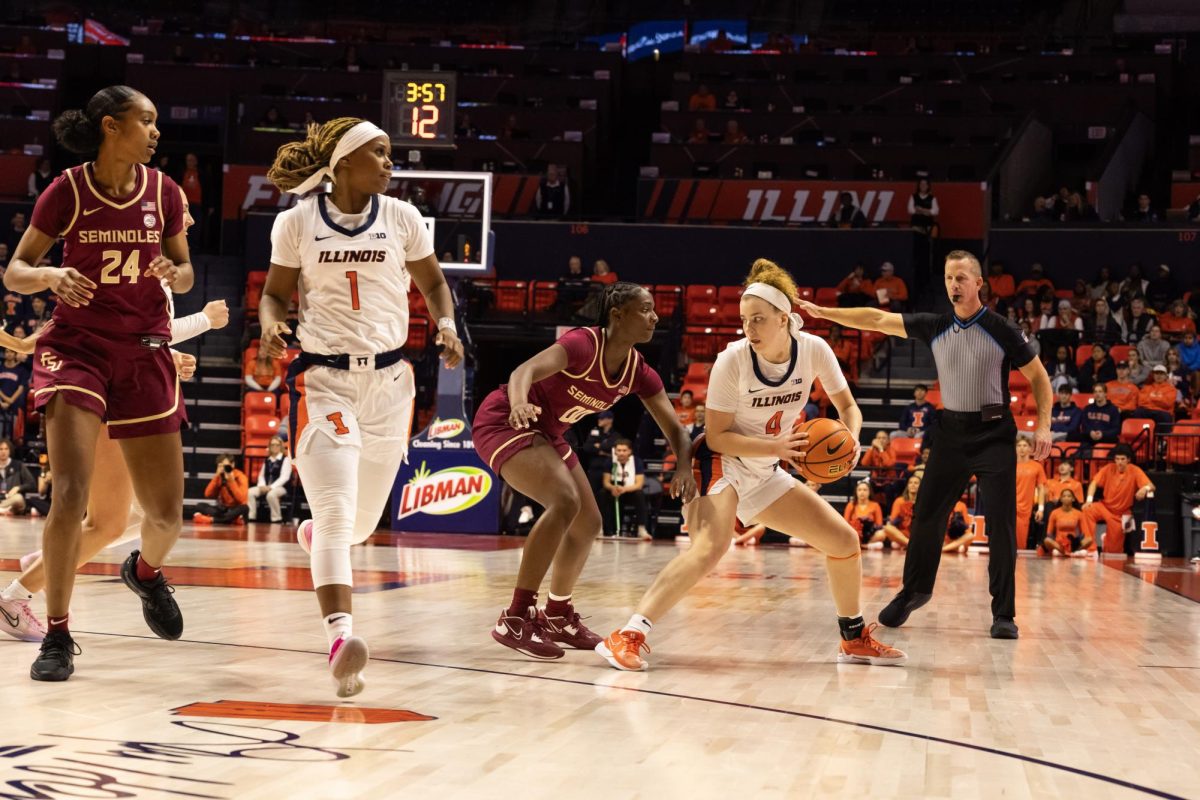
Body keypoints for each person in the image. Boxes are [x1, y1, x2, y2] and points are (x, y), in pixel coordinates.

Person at [596, 260, 905, 672]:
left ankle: (853, 639)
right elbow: (718, 434)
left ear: (785, 319)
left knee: (844, 542)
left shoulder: (814, 350)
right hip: (721, 459)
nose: (749, 328)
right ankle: (628, 634)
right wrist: (776, 445)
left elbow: (848, 406)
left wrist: (850, 442)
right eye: (744, 319)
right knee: (712, 545)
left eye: (758, 319)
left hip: (764, 468)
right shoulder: (733, 360)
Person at [259, 116, 464, 697]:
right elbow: (274, 295)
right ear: (345, 162)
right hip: (326, 381)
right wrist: (272, 327)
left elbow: (434, 286)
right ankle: (340, 637)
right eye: (380, 153)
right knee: (336, 513)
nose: (390, 163)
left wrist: (446, 326)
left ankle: (318, 535)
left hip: (392, 384)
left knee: (362, 523)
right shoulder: (295, 223)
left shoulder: (403, 218)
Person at [7, 85, 193, 682]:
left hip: (143, 353)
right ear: (113, 127)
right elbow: (15, 269)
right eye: (148, 119)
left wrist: (175, 270)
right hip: (77, 350)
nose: (156, 131)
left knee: (165, 518)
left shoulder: (164, 191)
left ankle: (144, 571)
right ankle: (57, 632)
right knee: (69, 495)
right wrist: (52, 274)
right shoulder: (68, 190)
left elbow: (185, 272)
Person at [798, 250, 1053, 640]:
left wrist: (1044, 427)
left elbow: (1040, 379)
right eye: (950, 278)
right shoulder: (935, 325)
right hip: (950, 431)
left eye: (962, 278)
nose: (955, 284)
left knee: (1001, 526)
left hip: (995, 433)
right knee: (926, 517)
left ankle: (1004, 614)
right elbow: (876, 319)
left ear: (979, 283)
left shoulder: (1002, 329)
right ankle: (914, 591)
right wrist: (824, 313)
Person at [472, 281, 695, 661]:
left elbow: (675, 429)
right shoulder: (582, 345)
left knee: (589, 521)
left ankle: (557, 614)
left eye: (655, 309)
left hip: (547, 432)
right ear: (618, 314)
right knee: (563, 501)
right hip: (505, 420)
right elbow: (523, 371)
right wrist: (519, 402)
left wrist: (685, 468)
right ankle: (515, 616)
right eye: (645, 309)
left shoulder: (639, 372)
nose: (655, 316)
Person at [1080, 443, 1154, 554]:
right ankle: (1090, 549)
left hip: (1121, 513)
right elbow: (1093, 483)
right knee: (1087, 510)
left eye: (1122, 459)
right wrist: (1089, 500)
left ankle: (1106, 541)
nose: (1119, 462)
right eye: (1117, 459)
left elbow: (1152, 486)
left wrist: (1144, 489)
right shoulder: (1108, 468)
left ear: (1128, 460)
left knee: (1114, 552)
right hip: (1104, 506)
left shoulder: (1135, 470)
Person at [600, 439, 651, 540]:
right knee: (602, 493)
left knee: (639, 494)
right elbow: (606, 482)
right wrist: (612, 488)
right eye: (619, 450)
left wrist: (625, 489)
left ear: (630, 451)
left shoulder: (636, 462)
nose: (621, 453)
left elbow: (639, 484)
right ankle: (602, 528)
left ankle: (642, 528)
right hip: (615, 490)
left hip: (630, 491)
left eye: (624, 450)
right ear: (615, 451)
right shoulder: (610, 461)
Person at [192, 454, 250, 524]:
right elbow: (207, 494)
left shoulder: (241, 477)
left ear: (232, 464)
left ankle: (211, 520)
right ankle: (231, 520)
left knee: (244, 508)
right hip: (222, 509)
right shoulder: (219, 477)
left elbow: (242, 499)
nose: (223, 468)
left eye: (225, 465)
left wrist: (231, 481)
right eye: (221, 466)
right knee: (200, 506)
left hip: (235, 508)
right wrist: (216, 476)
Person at [247, 435, 292, 523]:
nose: (274, 447)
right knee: (250, 492)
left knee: (271, 495)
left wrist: (271, 487)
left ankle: (276, 518)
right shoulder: (268, 460)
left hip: (281, 487)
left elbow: (284, 477)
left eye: (277, 445)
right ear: (270, 447)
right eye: (272, 445)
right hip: (266, 486)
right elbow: (261, 476)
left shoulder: (285, 460)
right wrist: (262, 486)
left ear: (281, 446)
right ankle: (251, 516)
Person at [1014, 436, 1047, 549]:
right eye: (1018, 445)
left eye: (1024, 445)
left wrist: (1041, 509)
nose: (1021, 448)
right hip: (1009, 506)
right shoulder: (1009, 465)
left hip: (1025, 508)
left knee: (1021, 542)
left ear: (1030, 449)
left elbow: (1041, 488)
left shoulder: (1036, 467)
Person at [1044, 489, 1091, 556]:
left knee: (1089, 540)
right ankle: (1068, 553)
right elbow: (1049, 533)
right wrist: (1054, 542)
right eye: (1064, 496)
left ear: (1073, 499)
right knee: (1047, 540)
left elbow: (1086, 533)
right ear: (1060, 499)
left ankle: (1068, 552)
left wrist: (1079, 542)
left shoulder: (1079, 513)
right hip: (1059, 544)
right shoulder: (1054, 513)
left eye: (1069, 496)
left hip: (1073, 544)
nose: (1066, 498)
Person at [880, 474, 922, 549]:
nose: (913, 485)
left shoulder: (923, 502)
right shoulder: (899, 501)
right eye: (910, 483)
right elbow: (893, 520)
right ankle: (910, 544)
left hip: (918, 532)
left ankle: (903, 544)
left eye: (916, 483)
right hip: (903, 533)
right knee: (887, 528)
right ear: (907, 486)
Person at [1080, 382, 1121, 451]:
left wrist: (1103, 434)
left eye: (1100, 391)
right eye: (1095, 392)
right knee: (1077, 436)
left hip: (1105, 437)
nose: (1097, 394)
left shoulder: (1113, 409)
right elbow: (1084, 425)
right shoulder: (1087, 408)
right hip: (1090, 437)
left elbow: (1116, 429)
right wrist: (1090, 432)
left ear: (1105, 393)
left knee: (1114, 439)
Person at [844, 481, 884, 548]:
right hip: (855, 534)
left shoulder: (875, 505)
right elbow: (845, 524)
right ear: (856, 492)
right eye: (859, 490)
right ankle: (865, 545)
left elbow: (879, 524)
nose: (862, 492)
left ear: (869, 492)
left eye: (865, 490)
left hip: (870, 535)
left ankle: (863, 546)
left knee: (882, 533)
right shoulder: (850, 505)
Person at [0, 438, 35, 514]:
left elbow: (32, 484)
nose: (3, 451)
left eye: (6, 449)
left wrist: (18, 488)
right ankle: (4, 510)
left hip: (13, 500)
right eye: (1, 449)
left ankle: (3, 509)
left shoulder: (18, 465)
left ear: (10, 451)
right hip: (1, 500)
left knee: (18, 498)